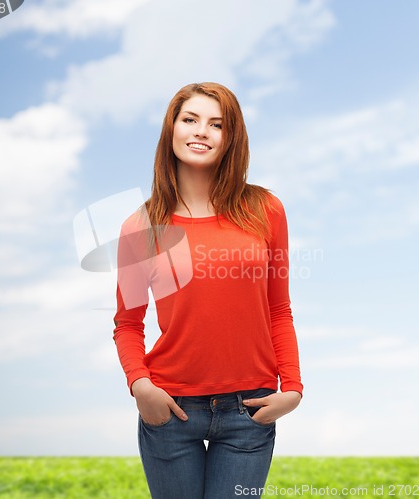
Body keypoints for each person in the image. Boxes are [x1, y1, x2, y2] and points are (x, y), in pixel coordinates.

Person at [113, 82, 303, 499]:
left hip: (249, 411)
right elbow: (127, 323)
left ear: (231, 138)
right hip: (171, 408)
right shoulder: (139, 227)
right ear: (172, 129)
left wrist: (292, 388)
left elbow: (278, 309)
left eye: (216, 124)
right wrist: (140, 386)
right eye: (190, 120)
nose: (201, 131)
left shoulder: (265, 210)